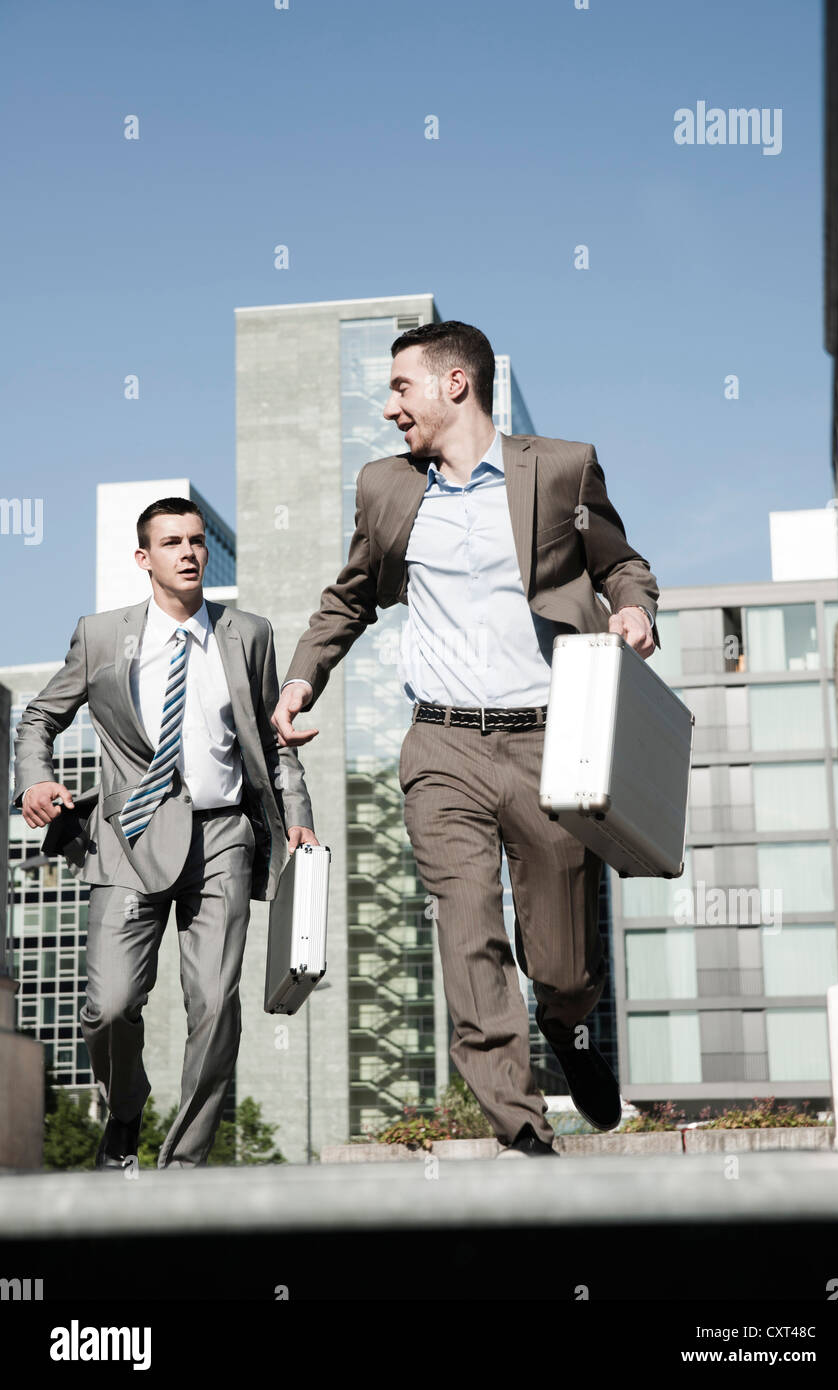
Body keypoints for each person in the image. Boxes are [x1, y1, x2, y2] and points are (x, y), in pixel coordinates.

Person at [271, 321, 659, 1158]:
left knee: (560, 961)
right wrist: (303, 678)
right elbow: (349, 598)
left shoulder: (561, 468)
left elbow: (619, 562)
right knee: (465, 921)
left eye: (400, 388)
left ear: (456, 385)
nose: (387, 409)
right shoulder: (386, 487)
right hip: (441, 746)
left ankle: (565, 1026)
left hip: (552, 743)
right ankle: (520, 1127)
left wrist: (633, 608)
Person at [13, 498, 318, 1169]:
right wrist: (35, 780)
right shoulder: (101, 636)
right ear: (143, 557)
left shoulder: (249, 634)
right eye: (172, 541)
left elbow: (275, 745)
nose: (188, 552)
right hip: (129, 839)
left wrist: (298, 815)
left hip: (223, 839)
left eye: (197, 541)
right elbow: (38, 719)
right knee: (109, 1006)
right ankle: (124, 1109)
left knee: (214, 1003)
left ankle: (183, 1162)